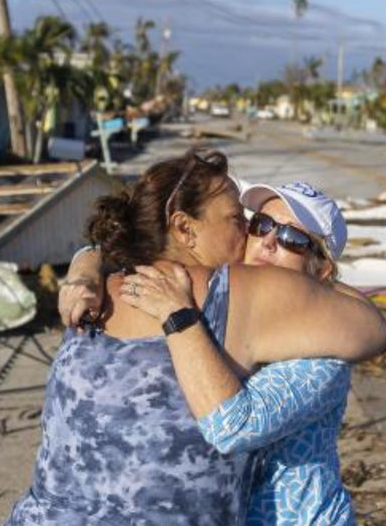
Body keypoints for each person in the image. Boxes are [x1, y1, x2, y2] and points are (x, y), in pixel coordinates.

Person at [6, 150, 386, 525]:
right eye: (250, 222)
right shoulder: (243, 292)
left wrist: (87, 261)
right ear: (185, 228)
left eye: (291, 237)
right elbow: (374, 328)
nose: (259, 239)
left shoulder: (97, 296)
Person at [118, 180, 361, 525]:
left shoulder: (325, 351)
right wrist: (84, 267)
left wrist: (177, 316)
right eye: (261, 224)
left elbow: (232, 427)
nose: (269, 241)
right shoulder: (226, 302)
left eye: (293, 239)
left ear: (320, 269)